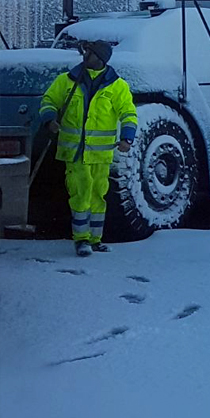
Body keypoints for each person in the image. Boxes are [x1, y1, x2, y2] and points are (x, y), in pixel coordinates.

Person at [39, 40, 137, 256]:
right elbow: (49, 100)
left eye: (90, 53)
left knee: (98, 195)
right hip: (74, 153)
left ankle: (95, 239)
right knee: (80, 193)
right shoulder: (66, 81)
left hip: (101, 155)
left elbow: (128, 113)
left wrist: (127, 138)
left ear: (100, 58)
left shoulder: (117, 86)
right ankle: (81, 239)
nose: (85, 56)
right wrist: (49, 119)